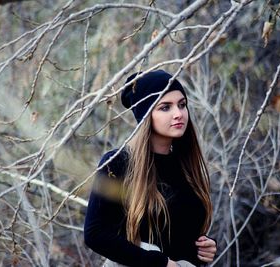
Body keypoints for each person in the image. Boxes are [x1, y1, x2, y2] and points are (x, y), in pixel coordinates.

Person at [84, 70, 217, 267]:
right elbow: (95, 234)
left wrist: (205, 246)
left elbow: (178, 232)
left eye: (182, 105)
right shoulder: (117, 163)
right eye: (165, 107)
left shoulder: (187, 165)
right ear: (146, 115)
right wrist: (158, 263)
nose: (178, 114)